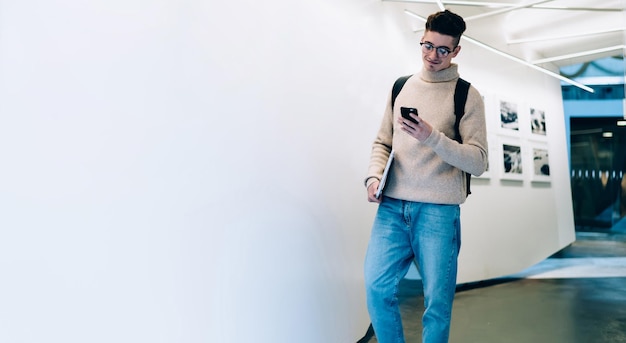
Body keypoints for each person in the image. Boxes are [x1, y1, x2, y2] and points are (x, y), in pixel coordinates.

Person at [363, 10, 488, 343]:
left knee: (436, 303)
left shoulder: (467, 96)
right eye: (427, 45)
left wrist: (432, 136)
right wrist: (374, 178)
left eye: (443, 50)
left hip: (438, 213)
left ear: (456, 51)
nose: (433, 56)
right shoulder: (401, 87)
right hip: (391, 208)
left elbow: (478, 161)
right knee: (376, 288)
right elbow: (383, 142)